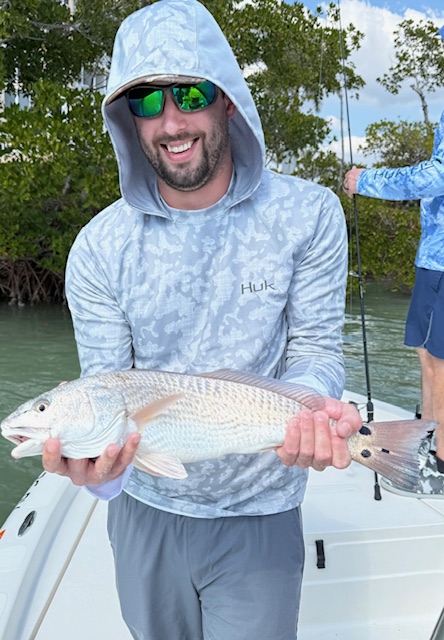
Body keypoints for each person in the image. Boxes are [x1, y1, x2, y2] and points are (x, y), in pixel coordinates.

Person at [42, 1, 362, 638]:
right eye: (146, 101)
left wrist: (312, 412)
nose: (170, 121)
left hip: (261, 508)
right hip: (145, 511)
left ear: (228, 101)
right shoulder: (99, 247)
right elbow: (108, 388)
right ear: (128, 119)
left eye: (190, 93)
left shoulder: (311, 214)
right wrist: (100, 474)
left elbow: (316, 349)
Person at [343, 107, 444, 498]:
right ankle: (428, 443)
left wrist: (366, 179)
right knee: (428, 355)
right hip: (433, 257)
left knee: (439, 363)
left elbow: (437, 175)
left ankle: (439, 465)